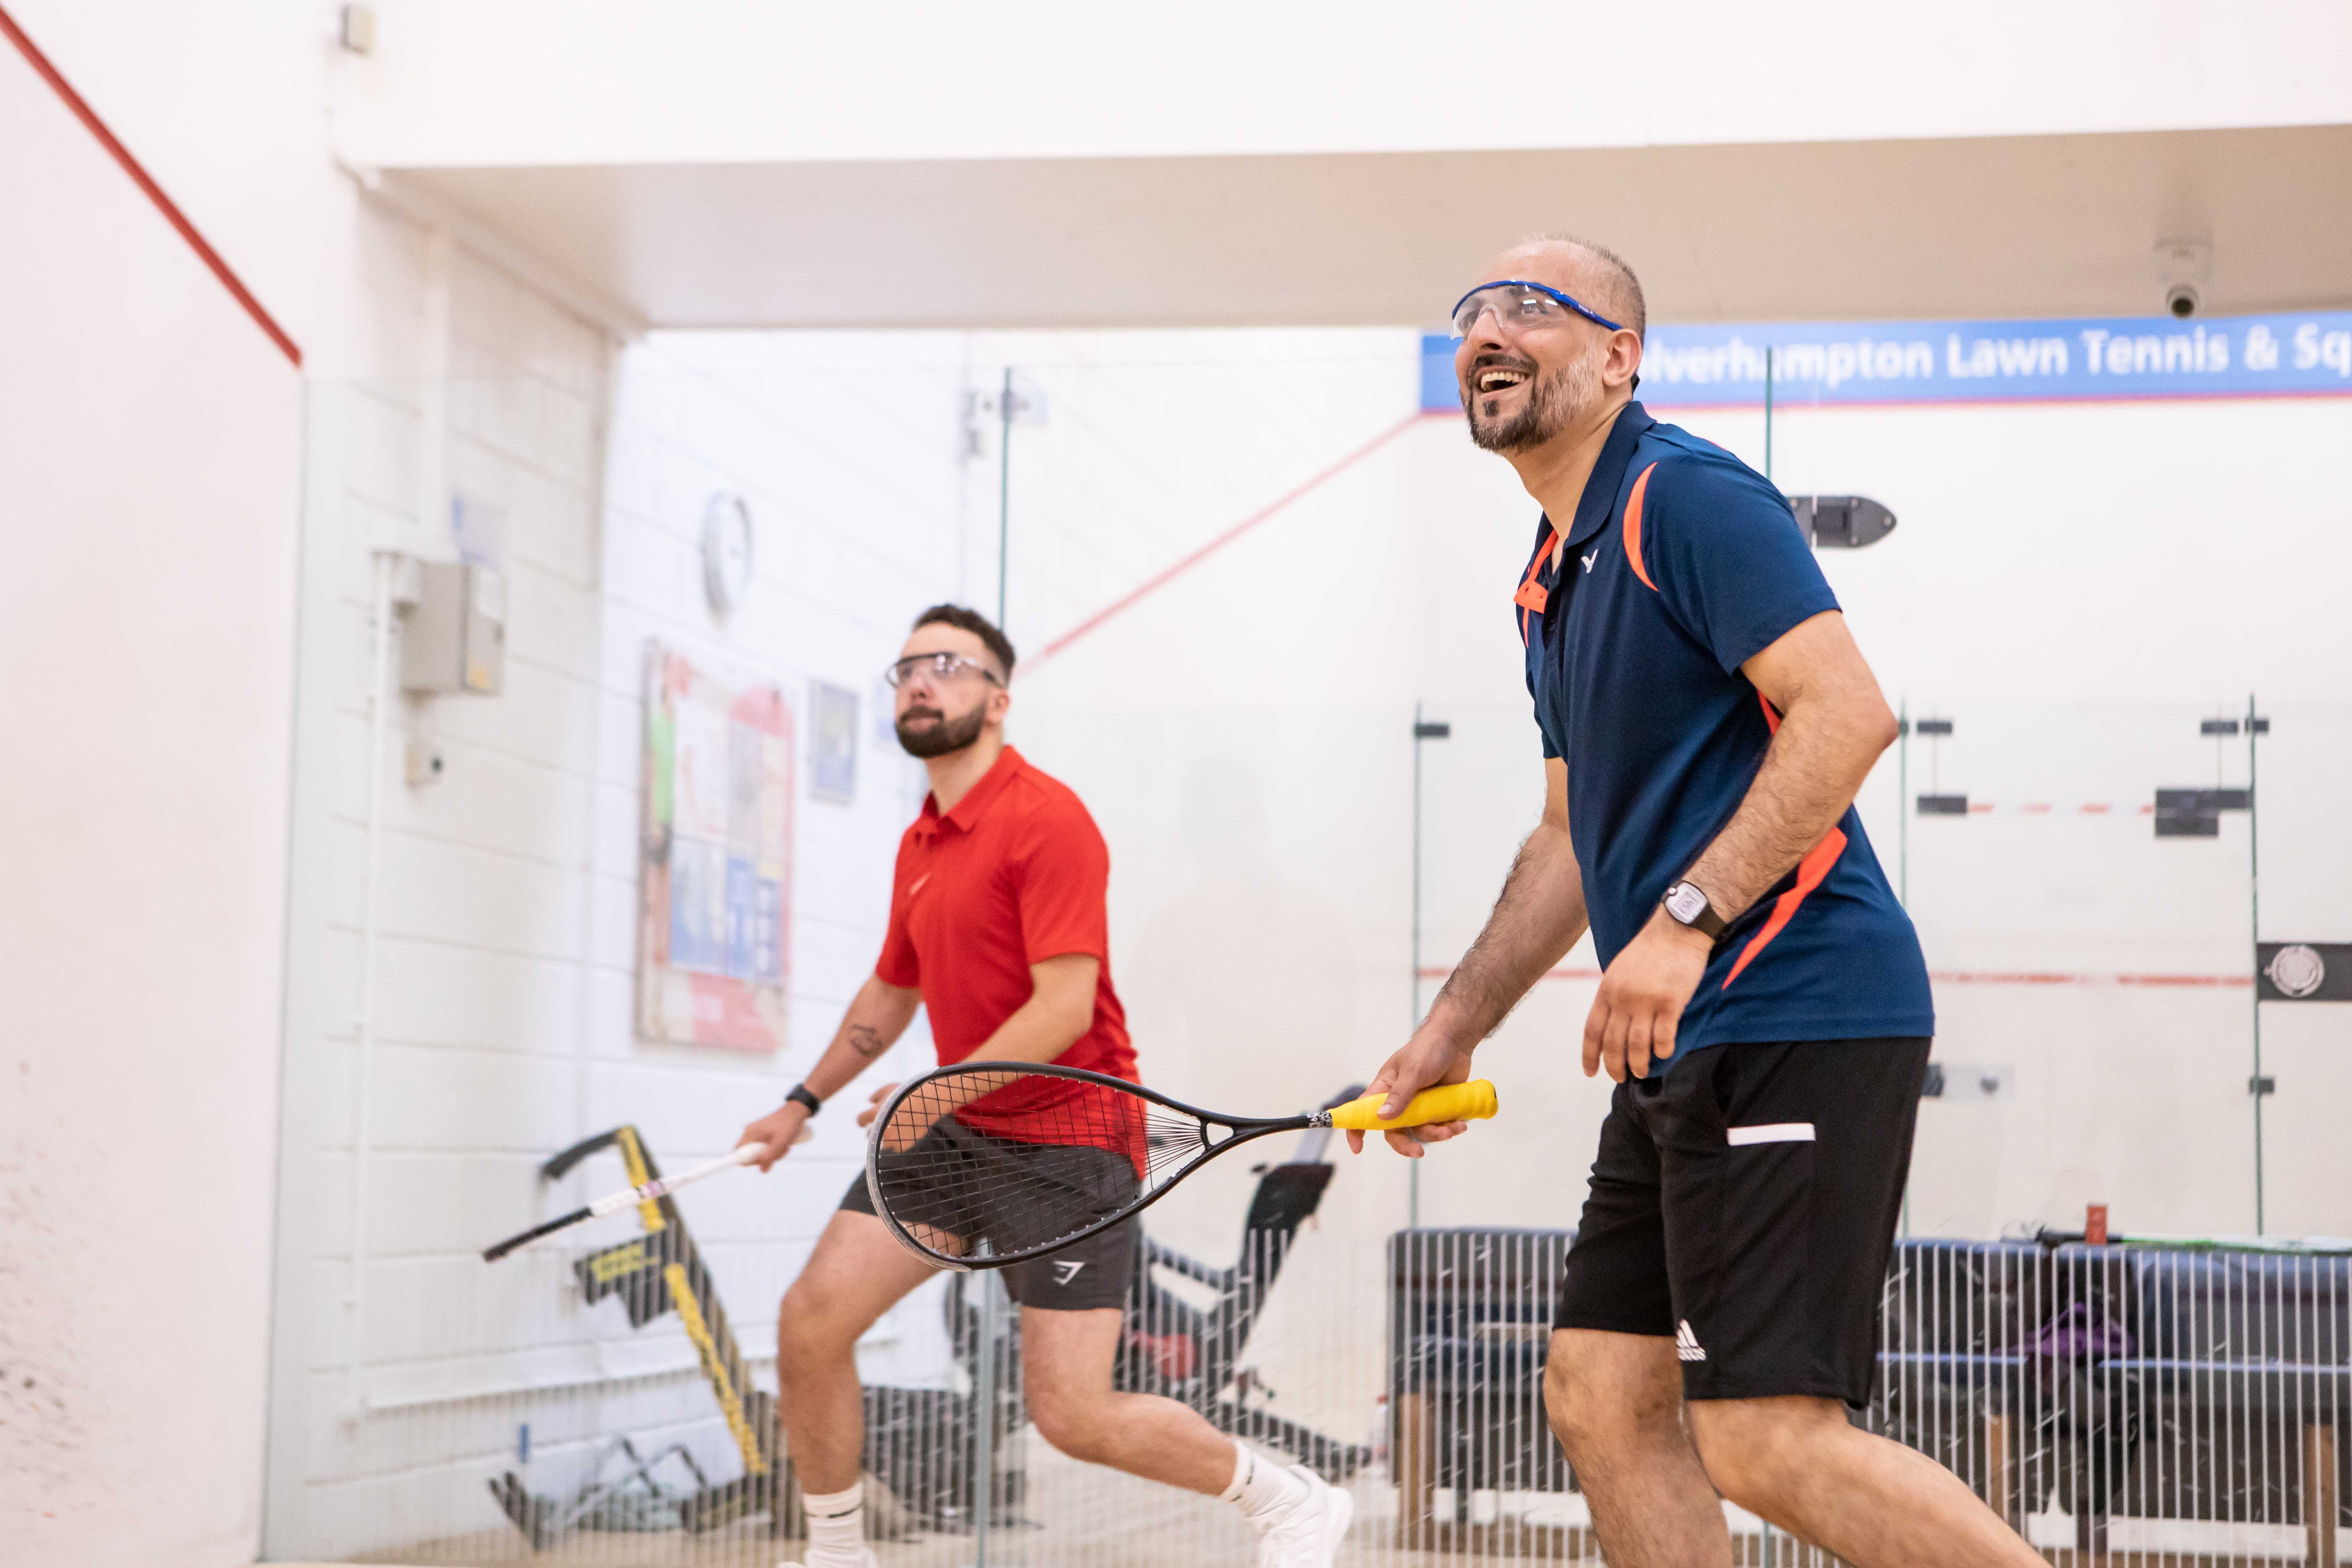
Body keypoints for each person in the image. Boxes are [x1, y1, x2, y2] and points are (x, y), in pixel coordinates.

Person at [1350, 240, 2041, 1568]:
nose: (1491, 330)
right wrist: (1455, 1028)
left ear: (1621, 358)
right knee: (1604, 1399)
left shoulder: (1685, 497)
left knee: (1769, 1437)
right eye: (1473, 313)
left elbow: (1850, 715)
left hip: (1794, 1002)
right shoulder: (1548, 577)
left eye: (1531, 309)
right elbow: (1565, 838)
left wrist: (1681, 924)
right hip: (1685, 1041)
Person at [738, 604, 1352, 1568]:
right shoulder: (922, 841)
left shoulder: (1045, 817)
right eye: (904, 670)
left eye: (946, 665)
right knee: (812, 1322)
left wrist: (933, 1093)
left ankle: (1290, 1498)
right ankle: (837, 1553)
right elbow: (892, 988)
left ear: (999, 697)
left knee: (1072, 1413)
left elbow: (1063, 1006)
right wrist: (801, 1103)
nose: (919, 682)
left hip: (1069, 1141)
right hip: (960, 1130)